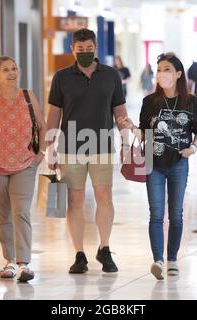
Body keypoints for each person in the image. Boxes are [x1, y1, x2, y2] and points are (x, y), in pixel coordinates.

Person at [46, 28, 129, 274]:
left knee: (105, 197)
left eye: (89, 48)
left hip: (102, 144)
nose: (84, 52)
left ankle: (104, 248)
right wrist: (50, 148)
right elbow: (53, 114)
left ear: (95, 48)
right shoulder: (61, 77)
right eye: (79, 49)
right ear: (72, 49)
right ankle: (79, 253)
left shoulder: (111, 75)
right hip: (71, 147)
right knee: (75, 200)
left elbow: (120, 112)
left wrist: (125, 142)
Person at [118, 53, 197, 280]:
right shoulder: (150, 102)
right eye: (159, 69)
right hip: (154, 164)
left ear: (177, 74)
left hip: (179, 163)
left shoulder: (191, 101)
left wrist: (193, 148)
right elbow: (145, 135)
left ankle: (172, 259)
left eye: (166, 69)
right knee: (156, 213)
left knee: (176, 214)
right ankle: (157, 260)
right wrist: (132, 127)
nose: (161, 74)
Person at [0, 56, 46, 282]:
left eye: (14, 68)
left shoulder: (28, 96)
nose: (12, 72)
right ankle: (10, 261)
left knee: (21, 211)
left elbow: (42, 127)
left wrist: (39, 154)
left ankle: (24, 263)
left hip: (24, 163)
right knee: (2, 214)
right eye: (6, 70)